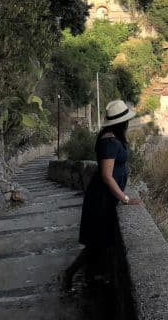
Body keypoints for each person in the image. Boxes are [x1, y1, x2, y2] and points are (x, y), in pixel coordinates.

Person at [60, 100, 142, 291]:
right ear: (122, 122)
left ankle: (88, 278)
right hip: (101, 199)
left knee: (99, 242)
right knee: (96, 243)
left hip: (105, 197)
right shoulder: (110, 141)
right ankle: (69, 274)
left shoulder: (111, 137)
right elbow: (106, 175)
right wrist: (126, 199)